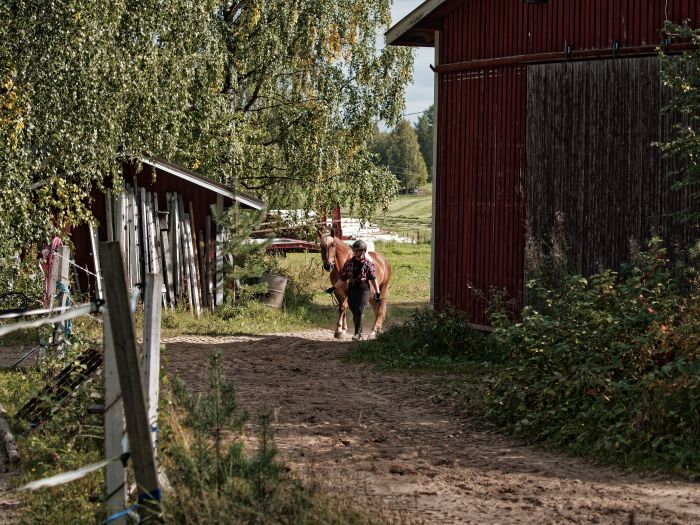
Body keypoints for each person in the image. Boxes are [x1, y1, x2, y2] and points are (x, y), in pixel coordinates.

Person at [327, 240, 381, 340]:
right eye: (354, 250)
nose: (355, 252)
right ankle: (359, 332)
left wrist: (377, 292)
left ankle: (357, 334)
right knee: (355, 312)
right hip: (351, 289)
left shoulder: (369, 264)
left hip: (363, 289)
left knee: (360, 310)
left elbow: (373, 279)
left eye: (358, 251)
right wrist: (333, 288)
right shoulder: (348, 263)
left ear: (363, 251)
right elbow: (342, 278)